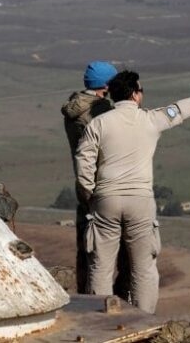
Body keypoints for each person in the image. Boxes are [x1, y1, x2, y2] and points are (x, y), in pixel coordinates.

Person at [76, 70, 190, 313]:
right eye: (141, 90)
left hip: (106, 199)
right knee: (143, 267)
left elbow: (84, 160)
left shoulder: (98, 123)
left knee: (101, 266)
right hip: (140, 202)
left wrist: (89, 193)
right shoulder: (151, 119)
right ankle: (144, 320)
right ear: (135, 95)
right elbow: (177, 111)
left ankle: (98, 321)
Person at [61, 61, 130, 297]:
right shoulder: (98, 112)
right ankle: (114, 303)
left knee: (87, 250)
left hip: (85, 187)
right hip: (105, 188)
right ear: (106, 86)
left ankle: (86, 299)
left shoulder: (75, 108)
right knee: (114, 253)